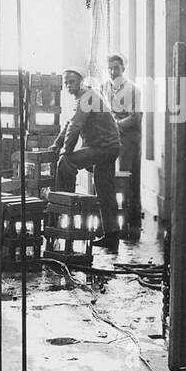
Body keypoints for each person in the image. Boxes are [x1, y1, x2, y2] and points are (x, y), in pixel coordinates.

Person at [51, 69, 122, 249]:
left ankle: (64, 210)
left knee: (65, 163)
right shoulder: (84, 97)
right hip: (109, 147)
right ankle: (112, 236)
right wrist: (57, 144)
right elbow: (70, 123)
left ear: (81, 82)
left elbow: (75, 126)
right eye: (66, 82)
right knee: (105, 190)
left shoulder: (88, 96)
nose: (69, 85)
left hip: (103, 148)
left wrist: (65, 152)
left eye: (72, 81)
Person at [101, 53, 142, 230]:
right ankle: (110, 221)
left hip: (128, 136)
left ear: (123, 68)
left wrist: (115, 125)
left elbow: (135, 118)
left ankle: (130, 223)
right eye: (109, 68)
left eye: (116, 68)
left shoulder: (133, 89)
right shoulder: (104, 87)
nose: (112, 71)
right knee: (107, 175)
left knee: (126, 177)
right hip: (110, 136)